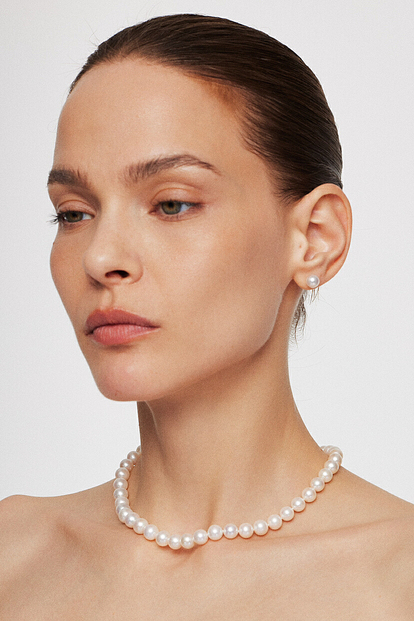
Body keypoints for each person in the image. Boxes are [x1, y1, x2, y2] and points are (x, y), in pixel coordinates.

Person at [0, 13, 413, 620]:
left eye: (172, 204)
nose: (101, 258)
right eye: (73, 213)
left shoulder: (398, 580)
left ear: (315, 238)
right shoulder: (13, 555)